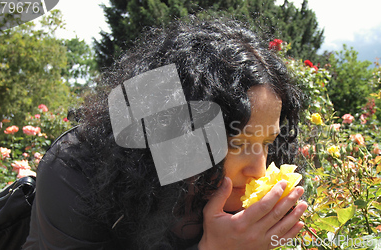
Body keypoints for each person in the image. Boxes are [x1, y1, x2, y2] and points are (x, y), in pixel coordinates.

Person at [23, 16, 307, 250]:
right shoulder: (75, 174)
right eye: (236, 143)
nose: (259, 170)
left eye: (267, 142)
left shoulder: (236, 192)